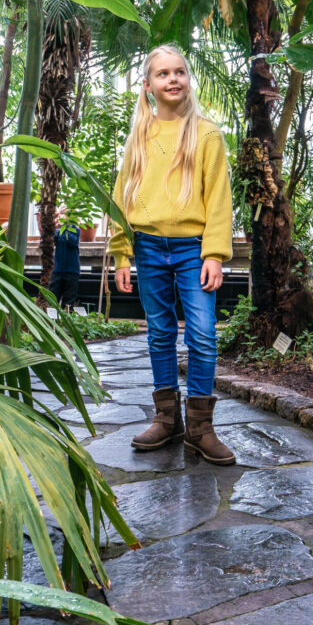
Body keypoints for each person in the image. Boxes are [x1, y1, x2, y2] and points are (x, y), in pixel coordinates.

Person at [110, 45, 235, 465]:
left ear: (188, 80)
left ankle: (200, 427)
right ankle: (168, 419)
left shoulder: (206, 134)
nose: (173, 79)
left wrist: (214, 253)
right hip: (147, 247)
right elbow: (121, 198)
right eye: (163, 74)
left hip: (192, 250)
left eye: (180, 71)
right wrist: (122, 253)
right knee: (160, 332)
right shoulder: (139, 140)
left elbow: (218, 198)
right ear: (148, 86)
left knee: (202, 333)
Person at [50, 206, 81, 308]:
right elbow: (51, 241)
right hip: (57, 270)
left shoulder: (75, 230)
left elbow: (72, 241)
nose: (61, 217)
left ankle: (66, 321)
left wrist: (64, 228)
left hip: (72, 271)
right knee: (53, 298)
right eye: (60, 215)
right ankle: (51, 321)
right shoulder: (57, 232)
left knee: (69, 300)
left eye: (63, 214)